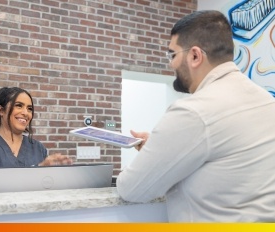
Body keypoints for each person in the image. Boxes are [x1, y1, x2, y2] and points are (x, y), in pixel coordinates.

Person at [116, 10, 275, 222]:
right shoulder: (266, 101)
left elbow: (131, 188)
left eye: (172, 55)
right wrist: (161, 148)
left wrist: (153, 156)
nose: (171, 64)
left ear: (194, 56)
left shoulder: (193, 112)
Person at [0, 87, 72, 173]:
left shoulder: (38, 148)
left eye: (29, 109)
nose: (25, 113)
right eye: (19, 106)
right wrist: (38, 170)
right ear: (1, 111)